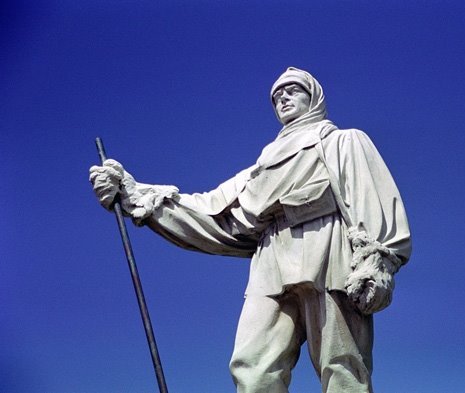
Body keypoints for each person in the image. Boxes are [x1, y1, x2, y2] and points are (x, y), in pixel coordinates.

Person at [90, 67, 411, 393]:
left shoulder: (343, 141)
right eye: (276, 96)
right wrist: (132, 193)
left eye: (292, 90)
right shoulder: (261, 169)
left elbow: (371, 195)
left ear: (313, 96)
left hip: (328, 251)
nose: (282, 97)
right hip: (270, 260)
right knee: (253, 367)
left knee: (342, 366)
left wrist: (376, 260)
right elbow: (213, 211)